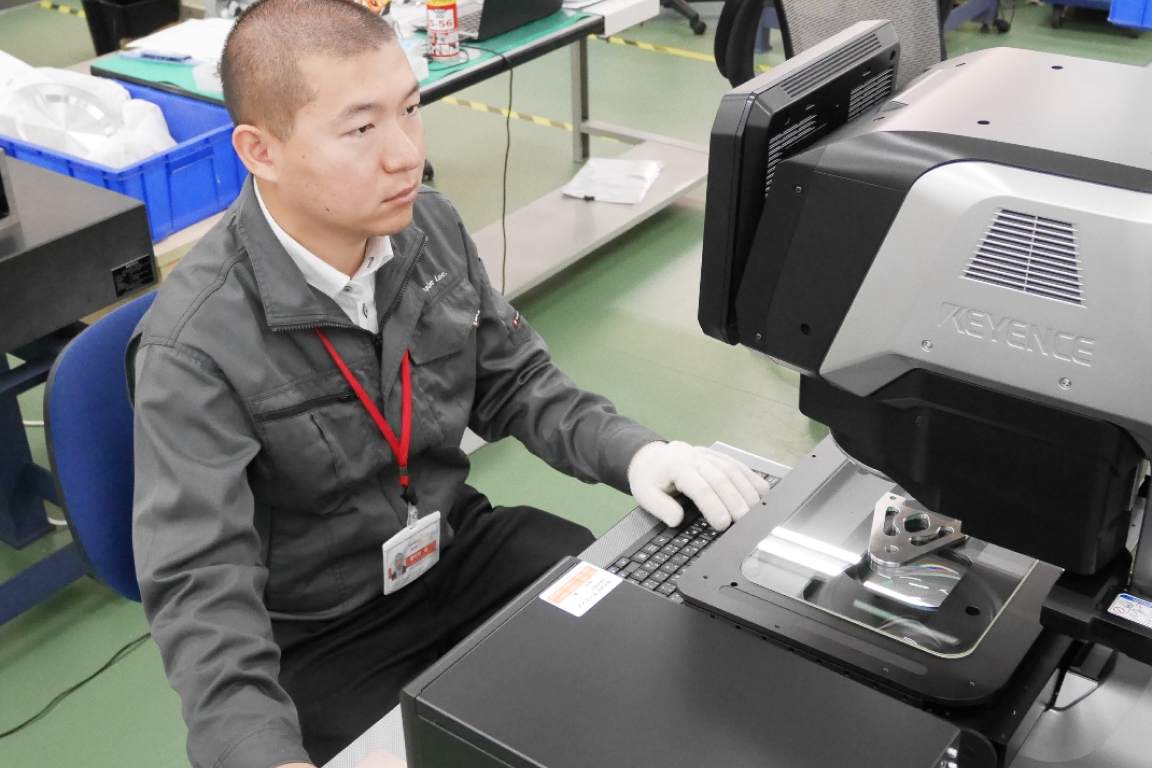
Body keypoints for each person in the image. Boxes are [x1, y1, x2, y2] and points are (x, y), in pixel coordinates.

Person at [128, 2, 770, 767]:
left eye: (410, 108)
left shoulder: (423, 227)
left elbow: (516, 380)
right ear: (259, 150)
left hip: (455, 551)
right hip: (328, 631)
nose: (405, 154)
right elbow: (203, 587)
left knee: (635, 633)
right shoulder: (193, 346)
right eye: (362, 128)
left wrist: (641, 455)